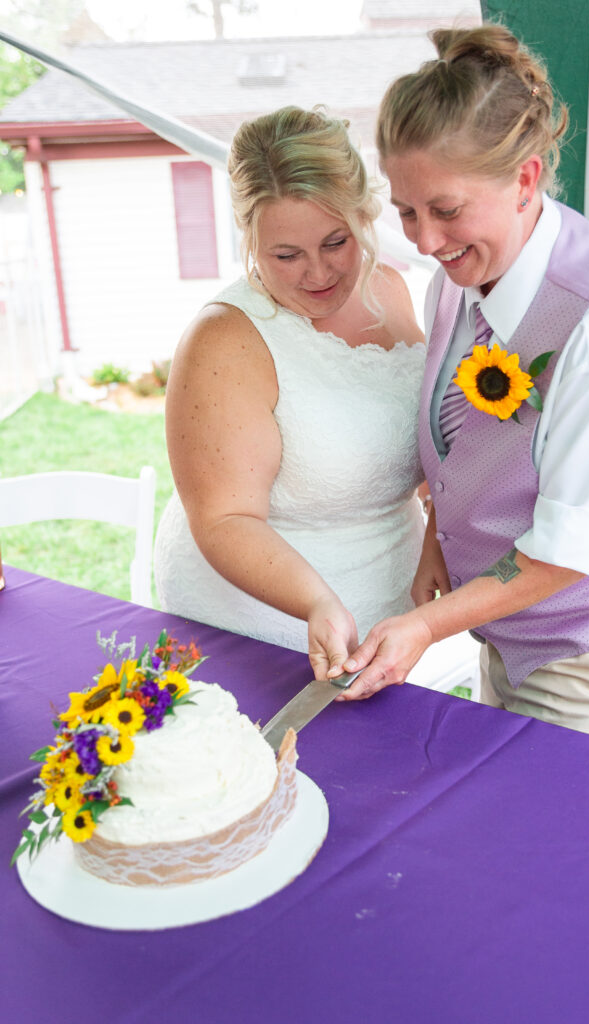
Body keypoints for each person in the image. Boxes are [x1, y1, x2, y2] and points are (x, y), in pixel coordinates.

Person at [339, 24, 589, 752]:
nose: (424, 241)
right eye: (406, 211)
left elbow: (570, 548)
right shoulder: (456, 278)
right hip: (497, 634)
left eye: (446, 209)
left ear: (524, 179)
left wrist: (426, 627)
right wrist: (438, 538)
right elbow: (464, 443)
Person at [154, 105, 426, 680]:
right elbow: (226, 517)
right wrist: (316, 602)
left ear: (364, 215)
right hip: (262, 631)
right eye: (286, 255)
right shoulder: (224, 339)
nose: (319, 273)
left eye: (336, 242)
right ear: (249, 236)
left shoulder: (392, 290)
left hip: (396, 621)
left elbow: (415, 434)